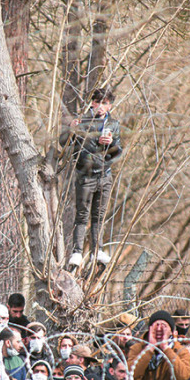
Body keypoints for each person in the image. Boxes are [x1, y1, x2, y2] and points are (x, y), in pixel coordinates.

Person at [62, 87, 123, 270]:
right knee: (82, 216)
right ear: (93, 102)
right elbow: (63, 143)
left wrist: (111, 144)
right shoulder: (82, 122)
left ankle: (98, 250)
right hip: (85, 176)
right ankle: (77, 252)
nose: (101, 106)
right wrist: (71, 130)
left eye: (105, 103)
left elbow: (118, 153)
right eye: (98, 102)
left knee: (99, 216)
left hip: (104, 176)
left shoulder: (113, 124)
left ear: (110, 105)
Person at [126, 310, 190, 380]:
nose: (160, 329)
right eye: (156, 325)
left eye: (164, 326)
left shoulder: (180, 350)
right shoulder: (137, 348)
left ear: (171, 331)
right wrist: (150, 348)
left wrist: (166, 348)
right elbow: (132, 373)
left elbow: (183, 375)